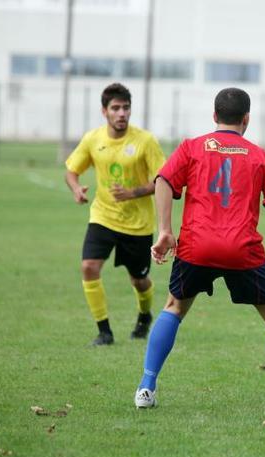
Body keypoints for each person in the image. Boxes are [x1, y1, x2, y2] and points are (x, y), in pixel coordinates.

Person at [133, 88, 265, 414]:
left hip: (196, 246)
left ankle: (146, 387)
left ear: (214, 116)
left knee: (174, 307)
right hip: (241, 249)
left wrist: (165, 230)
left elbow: (163, 180)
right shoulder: (261, 155)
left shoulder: (192, 147)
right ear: (246, 119)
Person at [64, 83, 165, 346]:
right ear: (104, 111)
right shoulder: (93, 139)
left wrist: (133, 192)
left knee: (140, 280)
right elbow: (72, 170)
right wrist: (76, 188)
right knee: (88, 266)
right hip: (103, 217)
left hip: (138, 225)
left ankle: (144, 316)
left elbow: (163, 181)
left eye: (126, 108)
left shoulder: (145, 141)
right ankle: (104, 332)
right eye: (116, 108)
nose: (122, 113)